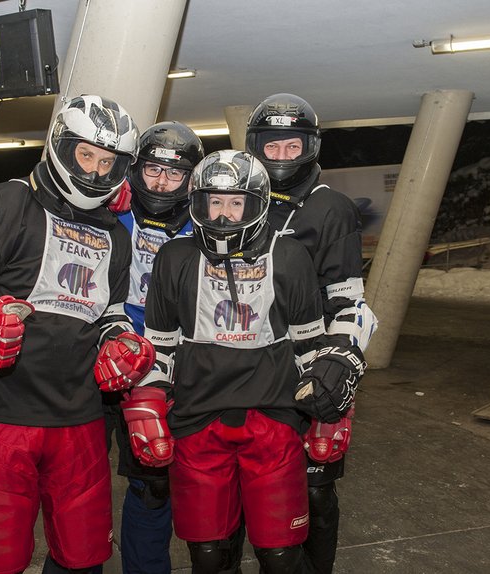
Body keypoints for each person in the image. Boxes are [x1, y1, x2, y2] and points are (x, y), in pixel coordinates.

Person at [0, 94, 157, 574]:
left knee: (84, 554)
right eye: (85, 155)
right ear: (61, 148)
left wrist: (120, 340)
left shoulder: (116, 233)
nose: (93, 170)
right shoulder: (3, 202)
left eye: (107, 161)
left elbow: (107, 310)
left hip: (80, 417)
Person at [129, 149, 366, 573]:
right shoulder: (175, 258)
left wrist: (330, 412)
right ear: (197, 203)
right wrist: (146, 403)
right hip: (196, 422)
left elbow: (309, 346)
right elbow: (160, 345)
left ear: (256, 205)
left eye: (236, 203)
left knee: (280, 554)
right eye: (214, 202)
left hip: (273, 421)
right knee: (208, 555)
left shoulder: (290, 255)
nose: (224, 215)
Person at [246, 92, 379, 574]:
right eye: (271, 146)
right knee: (252, 484)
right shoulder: (242, 200)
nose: (281, 157)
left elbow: (348, 299)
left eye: (292, 147)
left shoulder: (332, 208)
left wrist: (338, 364)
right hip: (245, 361)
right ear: (254, 146)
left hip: (309, 364)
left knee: (315, 489)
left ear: (310, 148)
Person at [100, 121, 204, 574]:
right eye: (153, 170)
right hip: (97, 358)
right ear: (136, 169)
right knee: (76, 480)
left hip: (162, 370)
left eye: (174, 173)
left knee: (152, 481)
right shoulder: (105, 210)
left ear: (190, 179)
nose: (161, 183)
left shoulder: (205, 228)